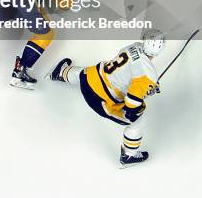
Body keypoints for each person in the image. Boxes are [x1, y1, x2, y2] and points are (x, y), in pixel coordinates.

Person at [46, 30, 165, 167]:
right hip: (100, 101)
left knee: (87, 73)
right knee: (138, 121)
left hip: (88, 79)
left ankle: (60, 73)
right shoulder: (149, 75)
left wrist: (147, 87)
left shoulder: (134, 46)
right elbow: (132, 101)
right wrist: (146, 91)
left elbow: (128, 73)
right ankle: (129, 156)